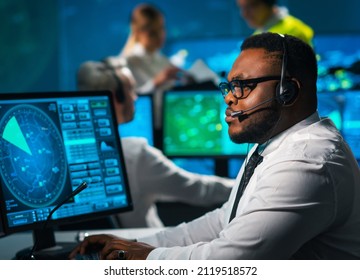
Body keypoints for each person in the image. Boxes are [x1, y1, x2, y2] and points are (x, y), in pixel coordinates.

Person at [70, 33, 360, 260]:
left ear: (288, 90)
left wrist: (142, 256)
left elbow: (232, 262)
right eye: (229, 87)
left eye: (243, 86)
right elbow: (223, 220)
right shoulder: (268, 147)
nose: (230, 98)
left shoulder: (307, 162)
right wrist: (134, 245)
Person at [76, 59, 234, 228]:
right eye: (131, 89)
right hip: (144, 247)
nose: (136, 97)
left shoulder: (75, 155)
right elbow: (198, 190)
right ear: (115, 97)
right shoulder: (135, 154)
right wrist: (242, 185)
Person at [110, 3, 194, 129]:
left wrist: (188, 80)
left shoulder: (164, 61)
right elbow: (126, 101)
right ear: (138, 32)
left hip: (168, 125)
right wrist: (156, 83)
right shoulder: (125, 62)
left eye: (162, 29)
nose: (161, 35)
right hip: (142, 127)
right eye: (153, 32)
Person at [237, 0, 314, 46]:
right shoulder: (258, 34)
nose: (244, 14)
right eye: (241, 7)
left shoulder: (294, 32)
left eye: (251, 6)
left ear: (268, 2)